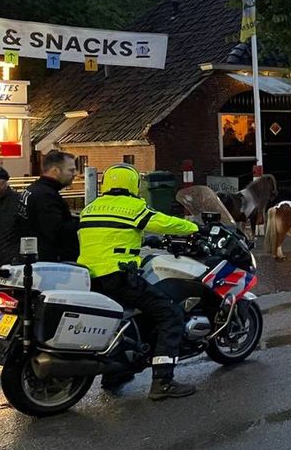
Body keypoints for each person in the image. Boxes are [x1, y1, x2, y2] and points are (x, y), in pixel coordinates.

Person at [78, 164, 201, 399]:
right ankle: (163, 381)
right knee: (170, 315)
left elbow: (111, 234)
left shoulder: (90, 208)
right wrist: (195, 227)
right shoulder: (133, 207)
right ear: (133, 185)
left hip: (90, 278)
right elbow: (164, 222)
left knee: (129, 320)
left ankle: (115, 372)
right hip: (119, 276)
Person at [18, 150, 79, 262]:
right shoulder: (46, 196)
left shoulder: (33, 189)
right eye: (71, 170)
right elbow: (56, 230)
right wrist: (81, 223)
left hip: (36, 257)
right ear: (55, 170)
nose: (75, 173)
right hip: (49, 262)